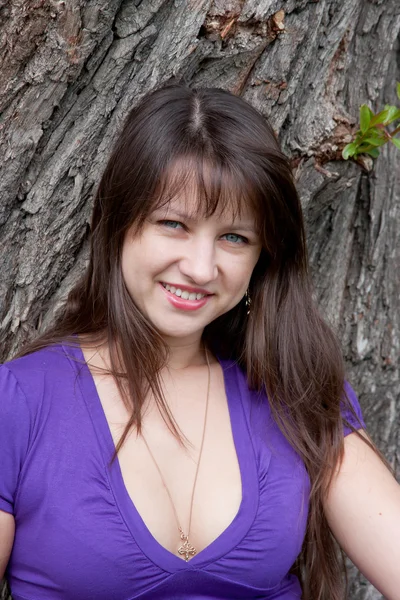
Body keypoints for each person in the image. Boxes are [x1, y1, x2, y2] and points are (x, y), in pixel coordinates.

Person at [0, 83, 399, 600]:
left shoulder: (297, 394)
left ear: (263, 258)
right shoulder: (20, 401)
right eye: (173, 224)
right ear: (119, 225)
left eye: (235, 237)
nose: (200, 267)